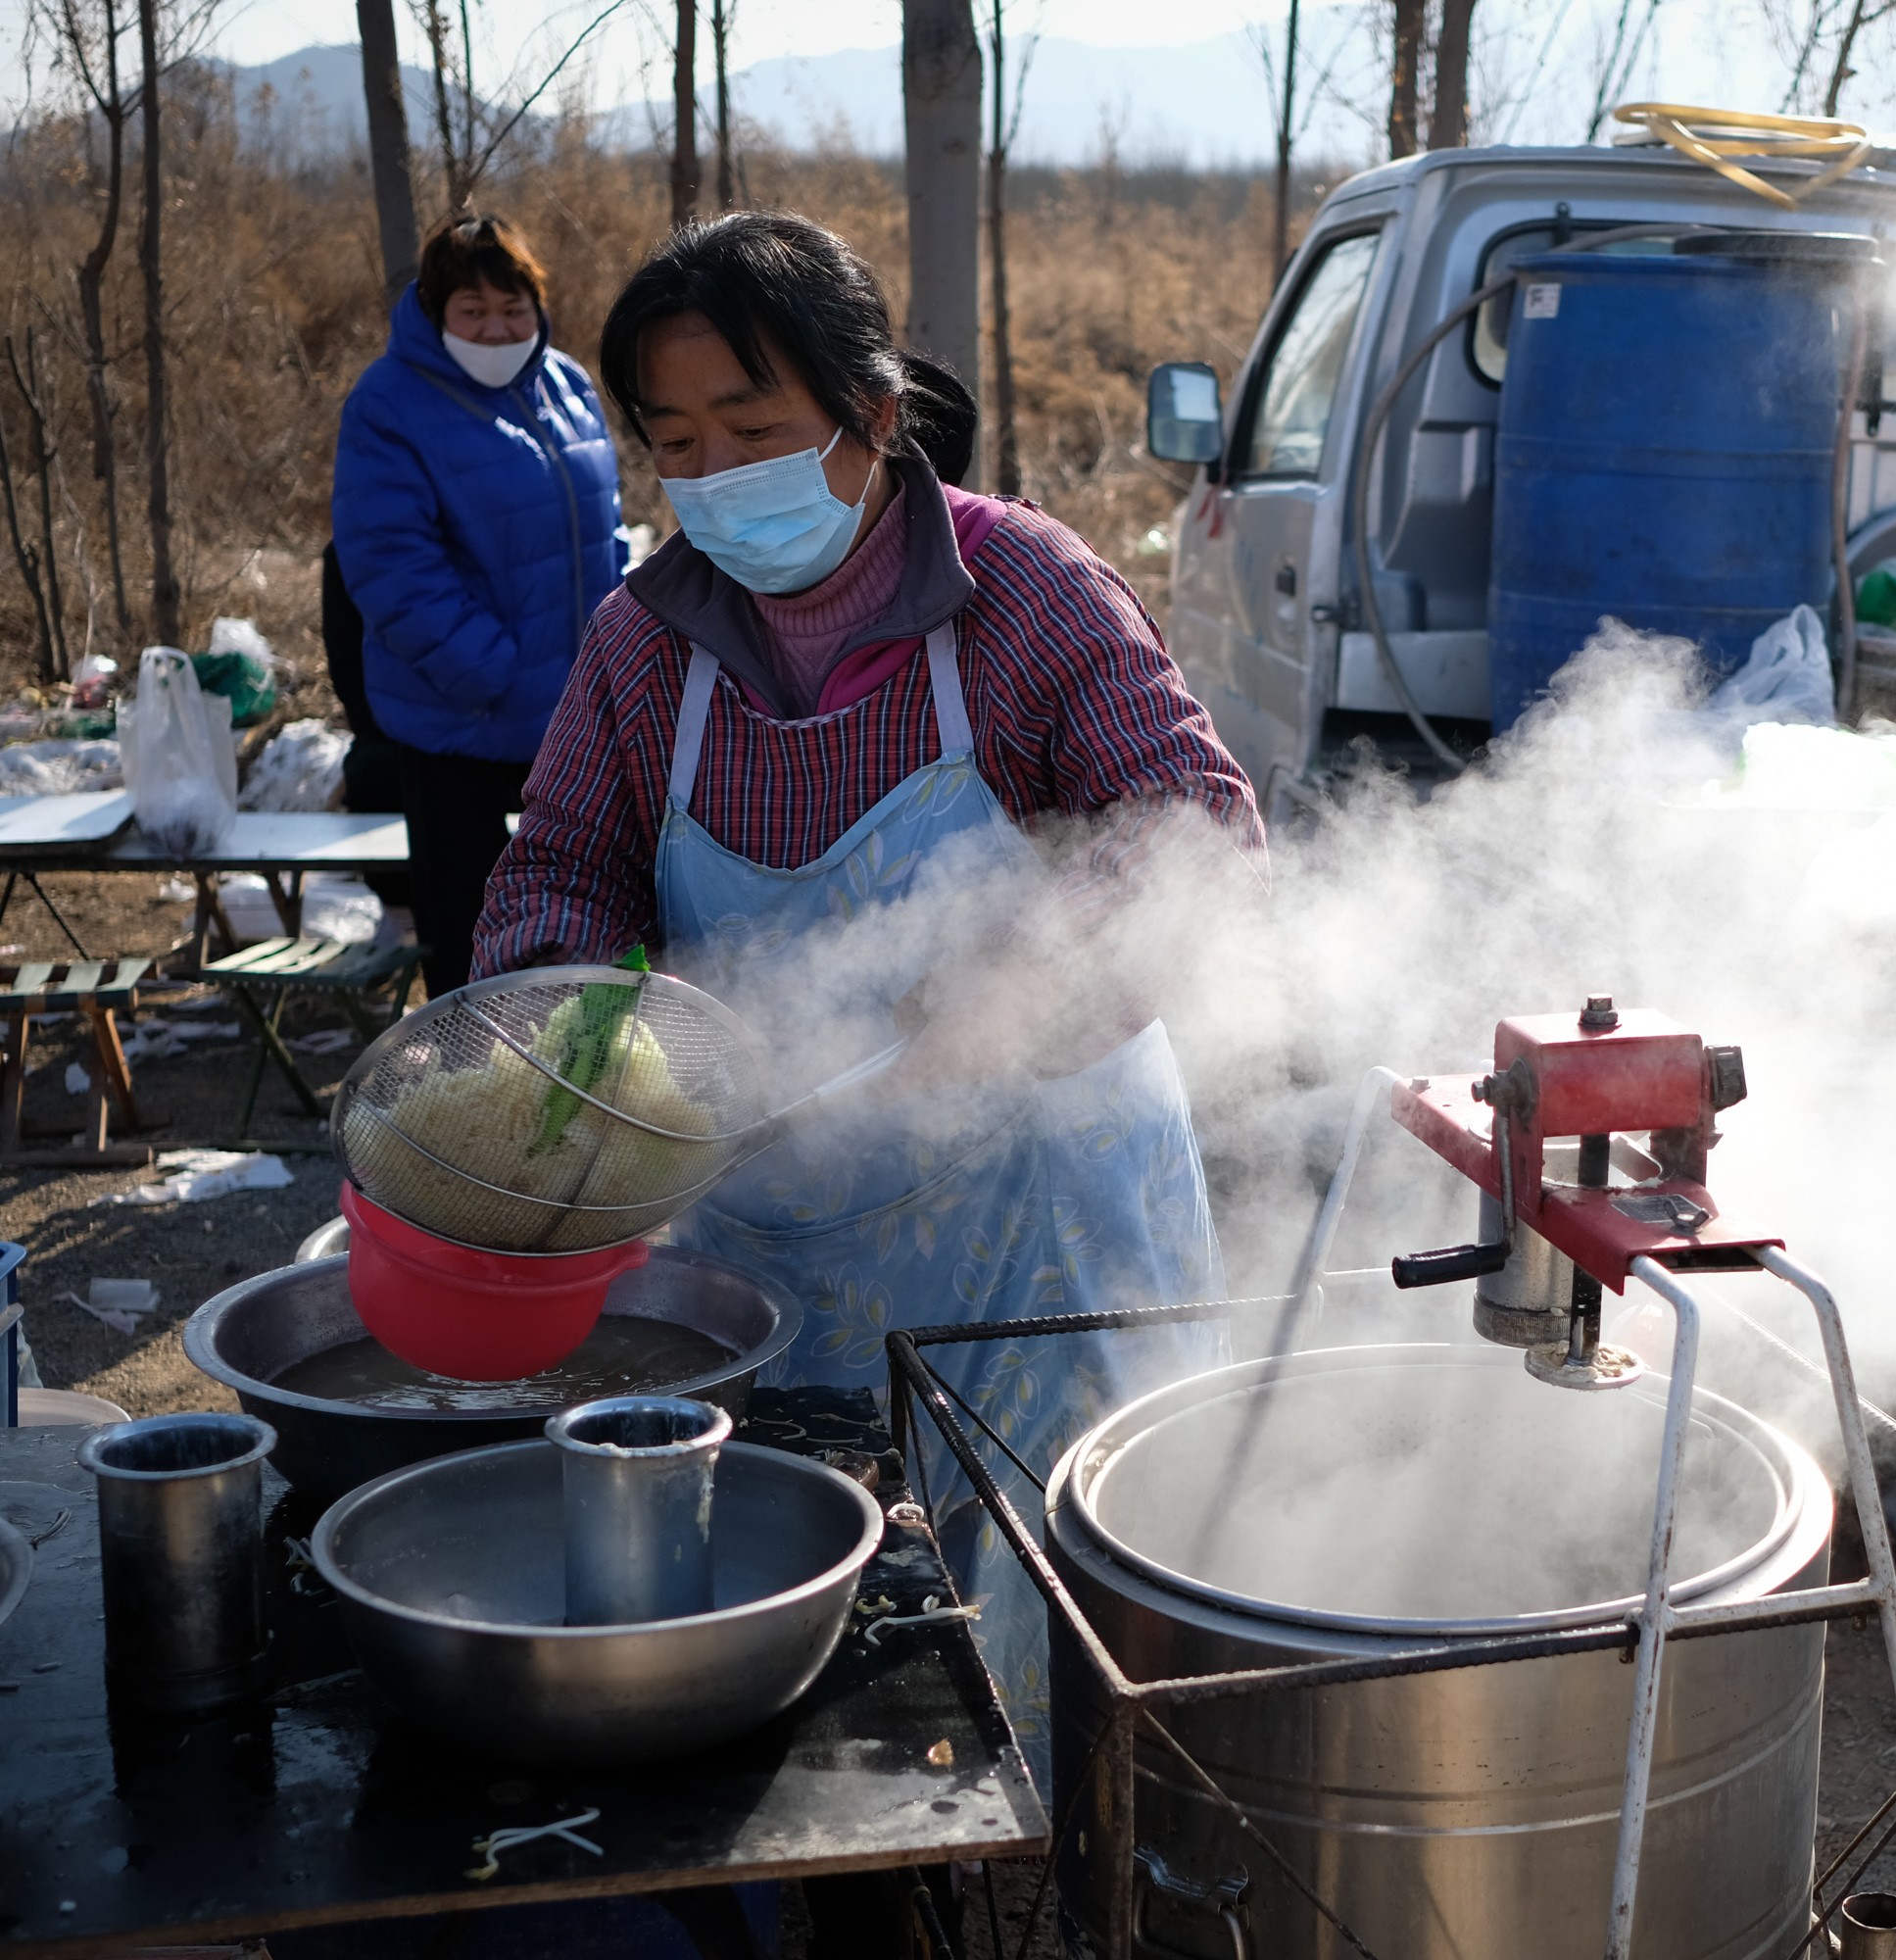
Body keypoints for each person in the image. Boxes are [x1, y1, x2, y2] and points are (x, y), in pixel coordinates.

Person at [472, 212, 1264, 1772]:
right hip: (778, 1240)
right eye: (676, 443)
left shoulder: (1023, 592)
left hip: (1044, 1236)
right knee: (832, 1684)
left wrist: (1034, 975)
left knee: (1071, 1652)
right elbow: (559, 869)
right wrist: (580, 1021)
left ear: (874, 413)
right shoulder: (644, 646)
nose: (715, 476)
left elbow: (1196, 830)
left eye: (754, 427)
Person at [331, 213, 624, 993]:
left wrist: (620, 642)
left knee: (579, 921)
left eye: (512, 309)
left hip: (573, 721)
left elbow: (605, 528)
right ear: (437, 311)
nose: (496, 330)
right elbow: (390, 564)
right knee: (470, 940)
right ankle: (470, 1065)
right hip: (460, 722)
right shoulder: (389, 402)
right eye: (473, 311)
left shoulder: (567, 385)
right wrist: (495, 671)